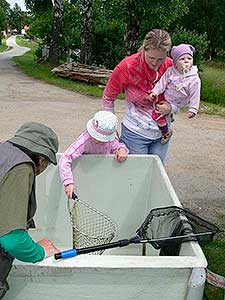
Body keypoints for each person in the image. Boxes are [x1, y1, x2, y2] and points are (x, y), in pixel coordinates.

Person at [0, 122, 59, 299]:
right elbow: (13, 240)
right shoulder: (21, 167)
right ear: (41, 159)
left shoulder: (4, 152)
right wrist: (39, 251)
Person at [102, 29, 173, 164]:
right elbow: (108, 98)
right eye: (151, 58)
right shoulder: (127, 67)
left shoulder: (171, 66)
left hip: (162, 133)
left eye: (160, 59)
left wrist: (172, 108)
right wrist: (111, 129)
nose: (155, 63)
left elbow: (181, 96)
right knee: (135, 177)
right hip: (134, 133)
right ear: (144, 49)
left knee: (155, 175)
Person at [59, 110, 129, 199]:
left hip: (102, 177)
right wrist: (68, 182)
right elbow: (65, 158)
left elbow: (118, 146)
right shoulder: (84, 141)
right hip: (85, 174)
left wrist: (122, 150)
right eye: (96, 136)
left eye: (103, 139)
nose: (99, 141)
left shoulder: (111, 140)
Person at [149, 43, 201, 144]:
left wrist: (193, 109)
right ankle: (169, 117)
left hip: (177, 103)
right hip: (166, 97)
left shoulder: (193, 78)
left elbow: (195, 94)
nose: (186, 61)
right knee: (156, 104)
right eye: (182, 59)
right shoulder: (170, 72)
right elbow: (162, 83)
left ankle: (166, 132)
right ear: (175, 62)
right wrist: (154, 92)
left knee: (156, 114)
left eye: (189, 58)